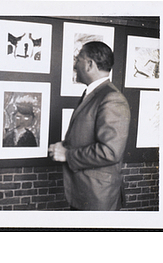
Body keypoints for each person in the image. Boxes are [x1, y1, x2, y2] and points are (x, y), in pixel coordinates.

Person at [49, 41, 131, 211]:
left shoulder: (112, 99)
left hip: (97, 199)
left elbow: (110, 152)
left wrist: (68, 154)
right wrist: (65, 146)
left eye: (77, 60)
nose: (74, 66)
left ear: (89, 64)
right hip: (88, 194)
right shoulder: (95, 93)